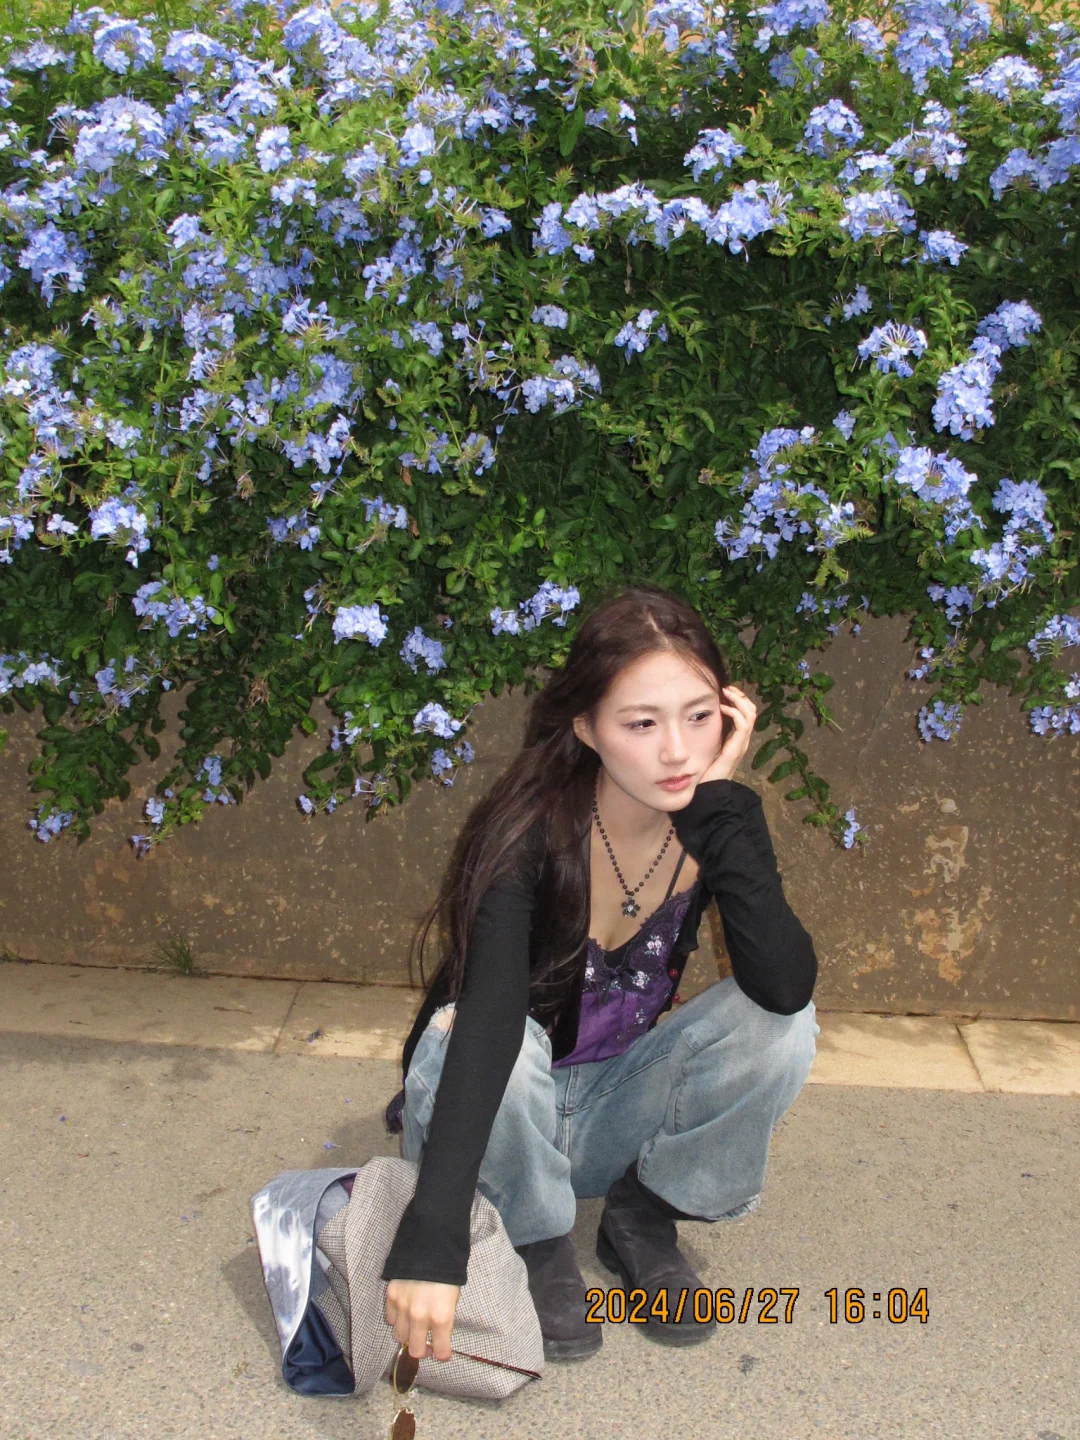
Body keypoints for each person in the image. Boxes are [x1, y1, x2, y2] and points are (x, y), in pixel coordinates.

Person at [380, 582, 820, 1363]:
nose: (677, 751)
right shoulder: (527, 830)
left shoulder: (714, 821)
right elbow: (486, 1028)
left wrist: (722, 807)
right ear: (587, 727)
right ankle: (534, 1236)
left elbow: (783, 987)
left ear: (731, 715)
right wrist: (431, 1241)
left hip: (613, 1114)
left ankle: (641, 1213)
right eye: (641, 723)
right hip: (497, 1115)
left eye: (698, 716)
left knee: (782, 1024)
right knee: (479, 1033)